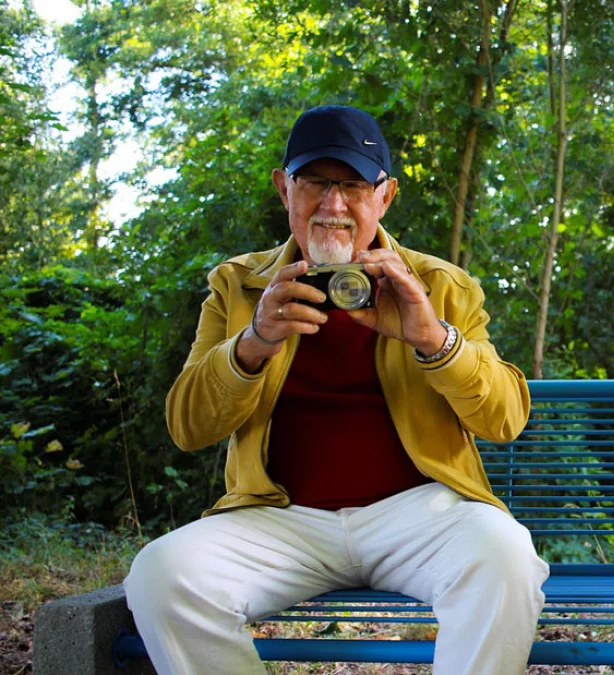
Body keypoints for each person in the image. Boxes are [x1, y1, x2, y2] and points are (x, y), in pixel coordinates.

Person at [124, 105, 549, 675]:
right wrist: (253, 342)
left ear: (385, 196)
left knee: (504, 557)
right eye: (315, 183)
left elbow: (505, 420)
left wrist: (433, 339)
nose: (333, 206)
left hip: (419, 516)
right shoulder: (239, 284)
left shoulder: (439, 285)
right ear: (284, 189)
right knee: (161, 575)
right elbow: (188, 426)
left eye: (353, 185)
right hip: (281, 520)